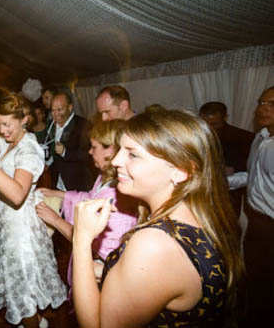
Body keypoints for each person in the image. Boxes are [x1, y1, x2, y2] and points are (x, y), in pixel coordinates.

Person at [72, 106, 243, 328]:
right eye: (120, 149)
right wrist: (107, 272)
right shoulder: (200, 215)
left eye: (132, 154)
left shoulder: (153, 244)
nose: (115, 161)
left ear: (181, 171)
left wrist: (82, 238)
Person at [0, 95, 67, 328]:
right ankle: (38, 323)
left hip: (22, 230)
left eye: (8, 124)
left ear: (24, 119)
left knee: (23, 293)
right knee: (20, 287)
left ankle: (33, 322)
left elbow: (17, 195)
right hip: (7, 222)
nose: (3, 129)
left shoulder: (29, 149)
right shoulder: (8, 142)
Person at [36, 118, 138, 297]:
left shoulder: (117, 196)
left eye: (94, 147)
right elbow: (89, 198)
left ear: (111, 150)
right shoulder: (105, 177)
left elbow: (89, 241)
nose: (90, 152)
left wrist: (55, 219)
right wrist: (59, 194)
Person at [227, 86, 274, 327]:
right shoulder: (261, 137)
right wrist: (221, 182)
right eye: (261, 102)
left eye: (271, 104)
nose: (261, 109)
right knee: (253, 280)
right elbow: (253, 176)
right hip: (256, 223)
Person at [199, 100, 254, 215]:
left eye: (213, 123)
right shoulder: (195, 136)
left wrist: (234, 168)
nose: (208, 127)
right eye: (205, 123)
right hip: (202, 192)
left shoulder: (244, 137)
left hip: (230, 193)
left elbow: (254, 163)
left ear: (225, 118)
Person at [45, 91, 93, 191]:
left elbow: (88, 155)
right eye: (53, 110)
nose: (55, 114)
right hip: (57, 181)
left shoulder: (83, 125)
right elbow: (51, 149)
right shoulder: (50, 125)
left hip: (77, 183)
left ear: (70, 108)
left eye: (59, 109)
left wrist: (65, 152)